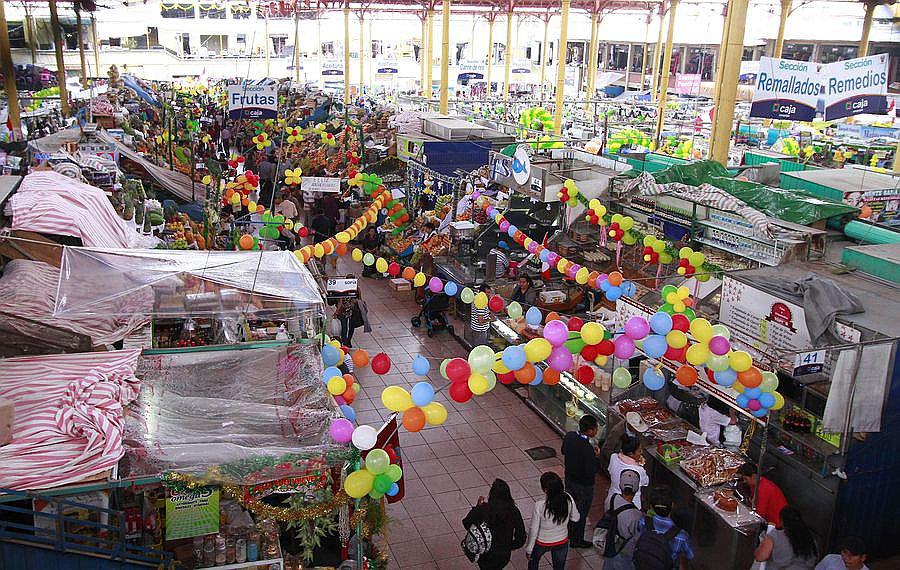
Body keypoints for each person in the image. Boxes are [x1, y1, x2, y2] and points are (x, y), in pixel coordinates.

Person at [462, 479, 526, 570]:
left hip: (485, 554)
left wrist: (477, 507)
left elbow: (466, 523)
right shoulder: (514, 511)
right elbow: (521, 537)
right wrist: (510, 546)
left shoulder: (484, 509)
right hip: (503, 556)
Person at [561, 414, 601, 548]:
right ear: (590, 431)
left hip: (569, 479)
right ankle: (577, 539)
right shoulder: (587, 449)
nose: (596, 431)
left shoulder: (570, 436)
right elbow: (591, 471)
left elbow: (563, 451)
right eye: (596, 428)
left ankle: (567, 530)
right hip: (583, 486)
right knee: (581, 511)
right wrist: (595, 457)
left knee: (570, 505)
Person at [526, 472, 579, 570]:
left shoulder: (540, 506)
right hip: (562, 541)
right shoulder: (568, 498)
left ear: (545, 490)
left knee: (533, 562)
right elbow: (576, 518)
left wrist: (529, 549)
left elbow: (533, 529)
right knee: (559, 567)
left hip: (542, 542)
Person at [633, 485, 694, 570]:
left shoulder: (643, 522)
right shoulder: (682, 536)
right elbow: (691, 556)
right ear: (672, 505)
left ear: (652, 506)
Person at [603, 470, 643, 570]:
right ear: (636, 488)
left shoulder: (611, 499)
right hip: (623, 554)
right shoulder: (636, 515)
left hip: (609, 545)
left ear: (621, 485)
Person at [605, 434, 650, 510]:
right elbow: (645, 482)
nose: (641, 452)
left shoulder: (613, 457)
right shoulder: (638, 470)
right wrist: (641, 465)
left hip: (612, 500)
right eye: (639, 451)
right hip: (631, 505)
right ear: (631, 454)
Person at [737, 463, 788, 528]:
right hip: (768, 519)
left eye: (746, 479)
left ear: (753, 476)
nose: (744, 481)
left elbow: (759, 515)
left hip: (776, 524)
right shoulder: (754, 484)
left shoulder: (764, 489)